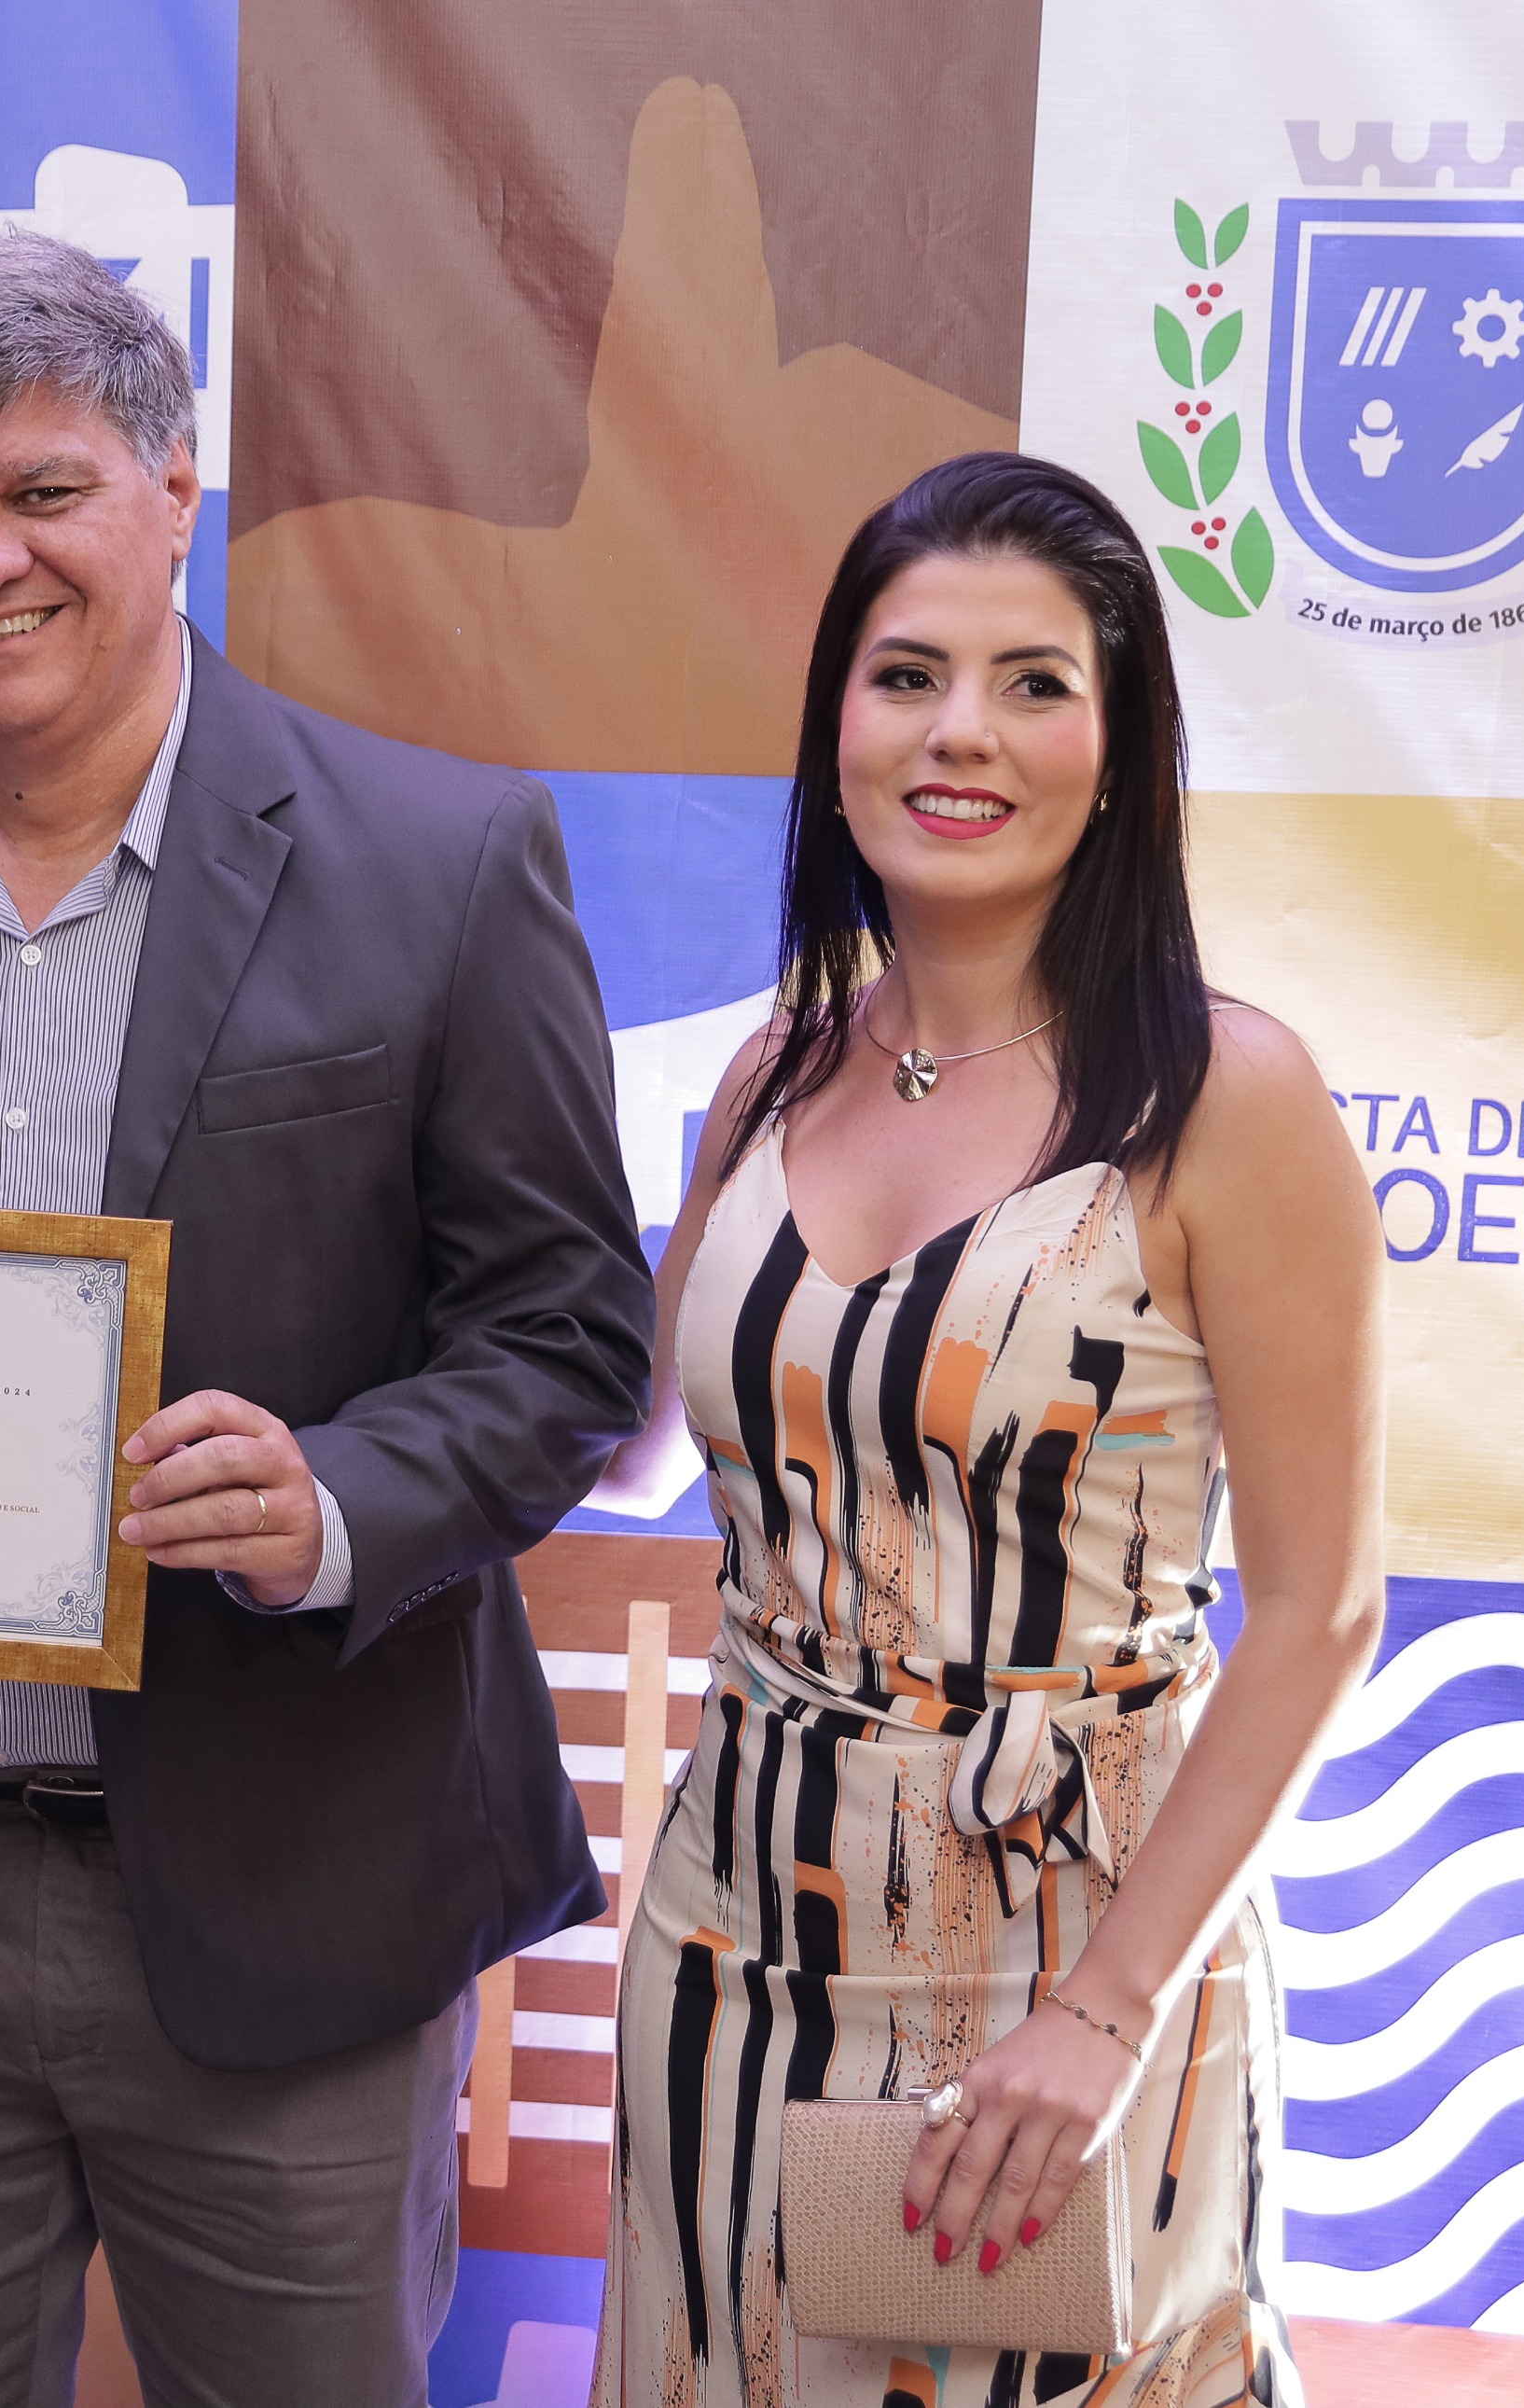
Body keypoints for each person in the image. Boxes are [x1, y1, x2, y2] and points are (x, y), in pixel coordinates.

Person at [0, 228, 655, 2407]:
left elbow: (569, 1332)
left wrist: (336, 1497)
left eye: (42, 491)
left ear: (173, 488)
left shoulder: (436, 855)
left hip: (294, 1877)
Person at [580, 452, 1381, 2403]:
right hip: (730, 1931)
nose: (960, 731)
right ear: (835, 727)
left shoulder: (1225, 1098)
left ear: (1119, 752)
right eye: (906, 674)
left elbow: (1320, 1612)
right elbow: (630, 1444)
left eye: (1035, 683)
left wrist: (1105, 2017)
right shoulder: (771, 1072)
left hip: (1064, 1957)